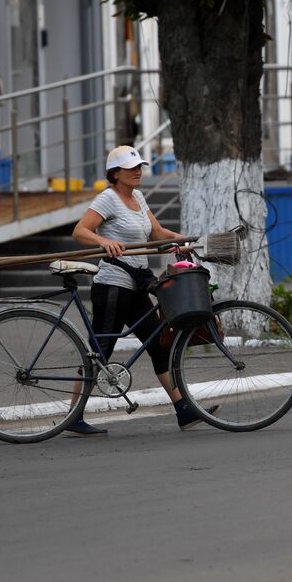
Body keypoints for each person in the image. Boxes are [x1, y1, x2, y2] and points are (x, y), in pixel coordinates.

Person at [68, 146, 199, 435]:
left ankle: (183, 409)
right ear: (115, 173)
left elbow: (156, 233)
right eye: (131, 168)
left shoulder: (137, 197)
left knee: (159, 346)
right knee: (100, 353)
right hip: (113, 286)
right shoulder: (108, 199)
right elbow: (80, 231)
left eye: (139, 166)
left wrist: (181, 239)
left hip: (136, 284)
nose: (138, 171)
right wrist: (103, 242)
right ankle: (73, 417)